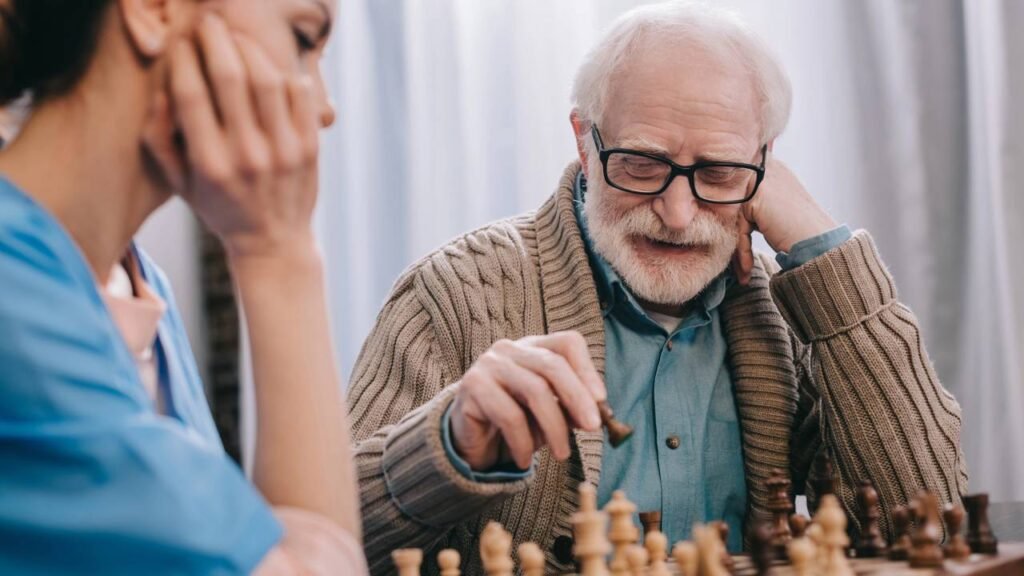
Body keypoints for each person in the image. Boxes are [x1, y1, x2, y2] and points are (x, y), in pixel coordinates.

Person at [347, 2, 967, 574]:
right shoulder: (455, 292)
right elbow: (326, 541)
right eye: (641, 164)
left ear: (764, 161)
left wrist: (822, 253)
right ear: (584, 142)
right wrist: (448, 445)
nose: (676, 213)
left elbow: (932, 528)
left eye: (718, 172)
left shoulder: (791, 314)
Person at [0, 0, 366, 573]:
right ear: (154, 9)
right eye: (301, 39)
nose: (322, 108)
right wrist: (281, 253)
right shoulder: (15, 300)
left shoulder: (144, 292)